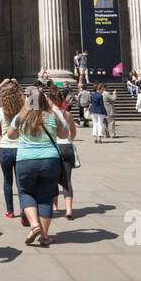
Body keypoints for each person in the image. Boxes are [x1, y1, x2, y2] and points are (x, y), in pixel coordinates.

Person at [7, 89, 63, 247]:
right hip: (50, 160)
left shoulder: (21, 117)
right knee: (46, 196)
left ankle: (34, 225)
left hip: (25, 160)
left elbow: (10, 135)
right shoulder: (52, 116)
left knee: (25, 192)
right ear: (44, 100)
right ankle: (44, 237)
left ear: (27, 101)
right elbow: (65, 135)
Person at [0, 83, 23, 217]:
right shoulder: (22, 111)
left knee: (7, 181)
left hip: (5, 148)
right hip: (21, 148)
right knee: (20, 181)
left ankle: (10, 211)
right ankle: (24, 209)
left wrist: (2, 135)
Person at [46, 86, 77, 220]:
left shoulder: (47, 114)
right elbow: (73, 133)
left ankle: (54, 206)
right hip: (67, 147)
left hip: (54, 147)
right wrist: (68, 140)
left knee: (52, 178)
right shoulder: (68, 114)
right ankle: (69, 209)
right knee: (67, 180)